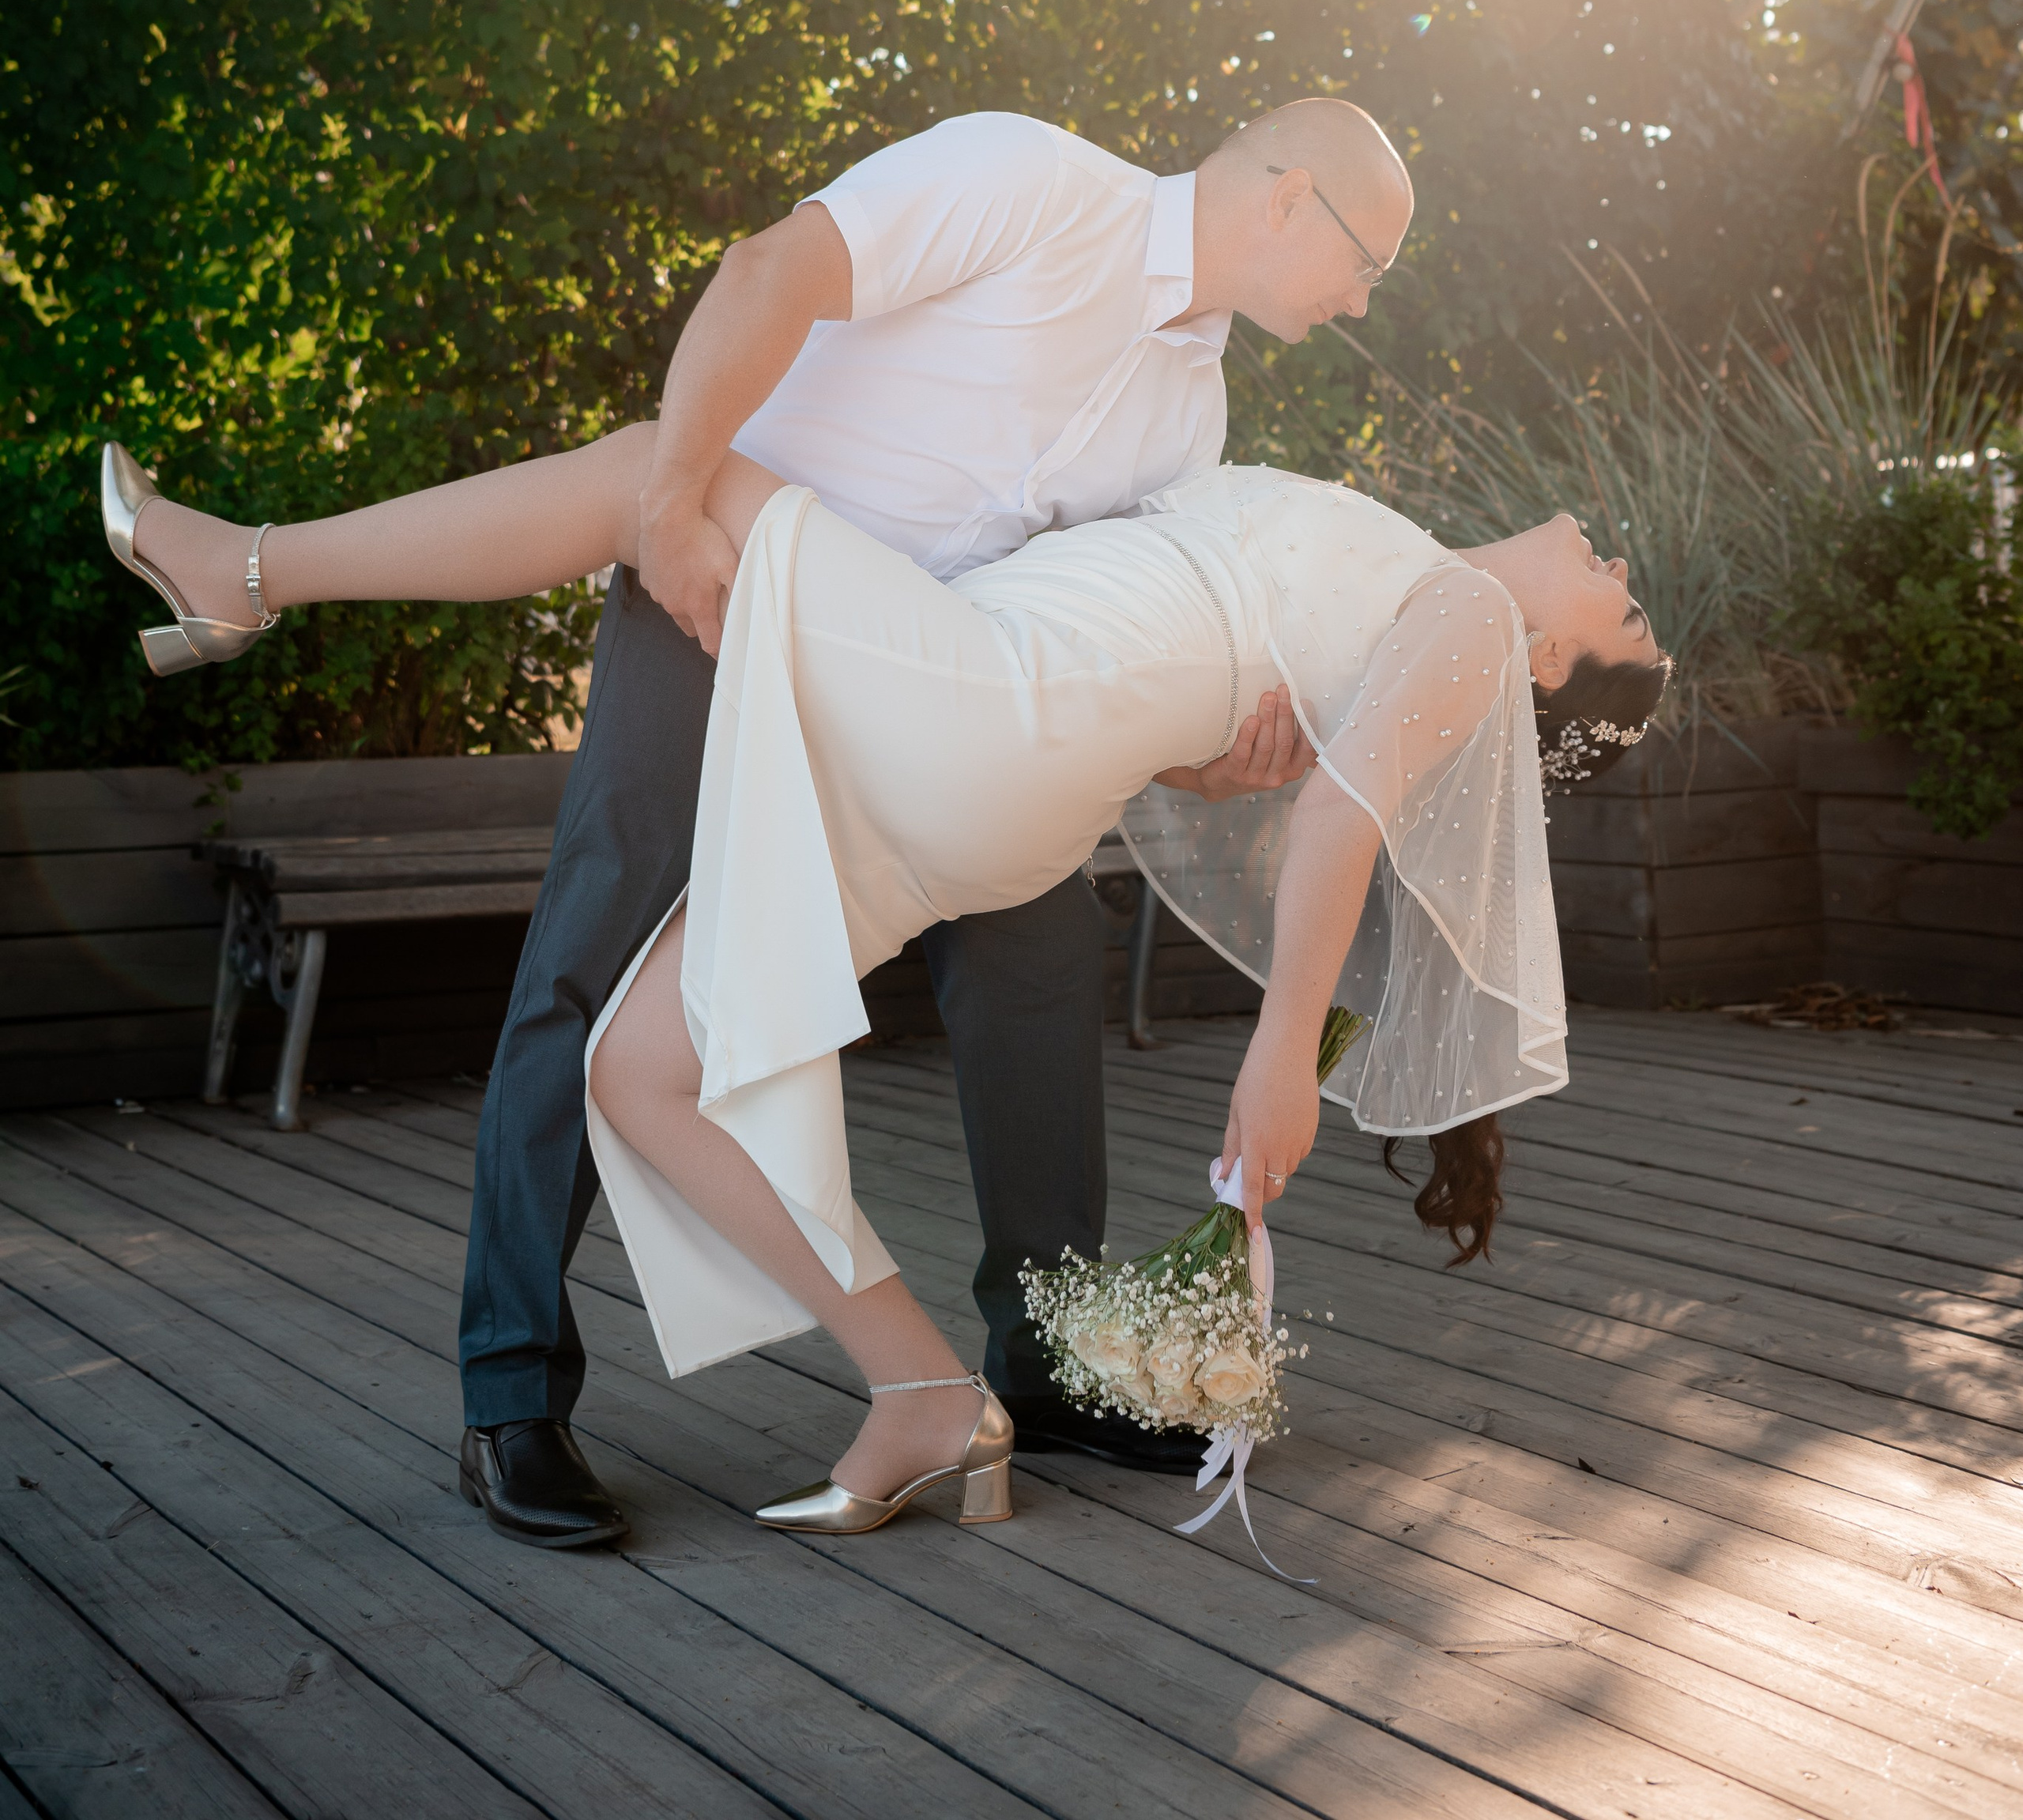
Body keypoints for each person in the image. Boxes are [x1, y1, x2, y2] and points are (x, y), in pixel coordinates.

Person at [104, 100, 1420, 1543]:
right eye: (1369, 261)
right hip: (715, 595)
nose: (1366, 301)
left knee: (1041, 948)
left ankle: (1042, 1370)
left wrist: (1203, 768)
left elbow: (1080, 650)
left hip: (915, 691)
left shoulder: (1195, 415)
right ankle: (511, 1400)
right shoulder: (1033, 181)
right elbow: (765, 275)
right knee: (592, 977)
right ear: (1289, 197)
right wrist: (668, 501)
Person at [104, 419, 1669, 1539]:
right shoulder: (1388, 577)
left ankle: (245, 572)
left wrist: (1276, 1054)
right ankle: (918, 1389)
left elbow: (1337, 815)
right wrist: (1205, 753)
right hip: (969, 771)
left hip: (979, 711)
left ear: (1547, 666)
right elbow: (1213, 724)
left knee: (673, 471)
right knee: (638, 1074)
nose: (1611, 560)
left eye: (1620, 605)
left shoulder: (1465, 614)